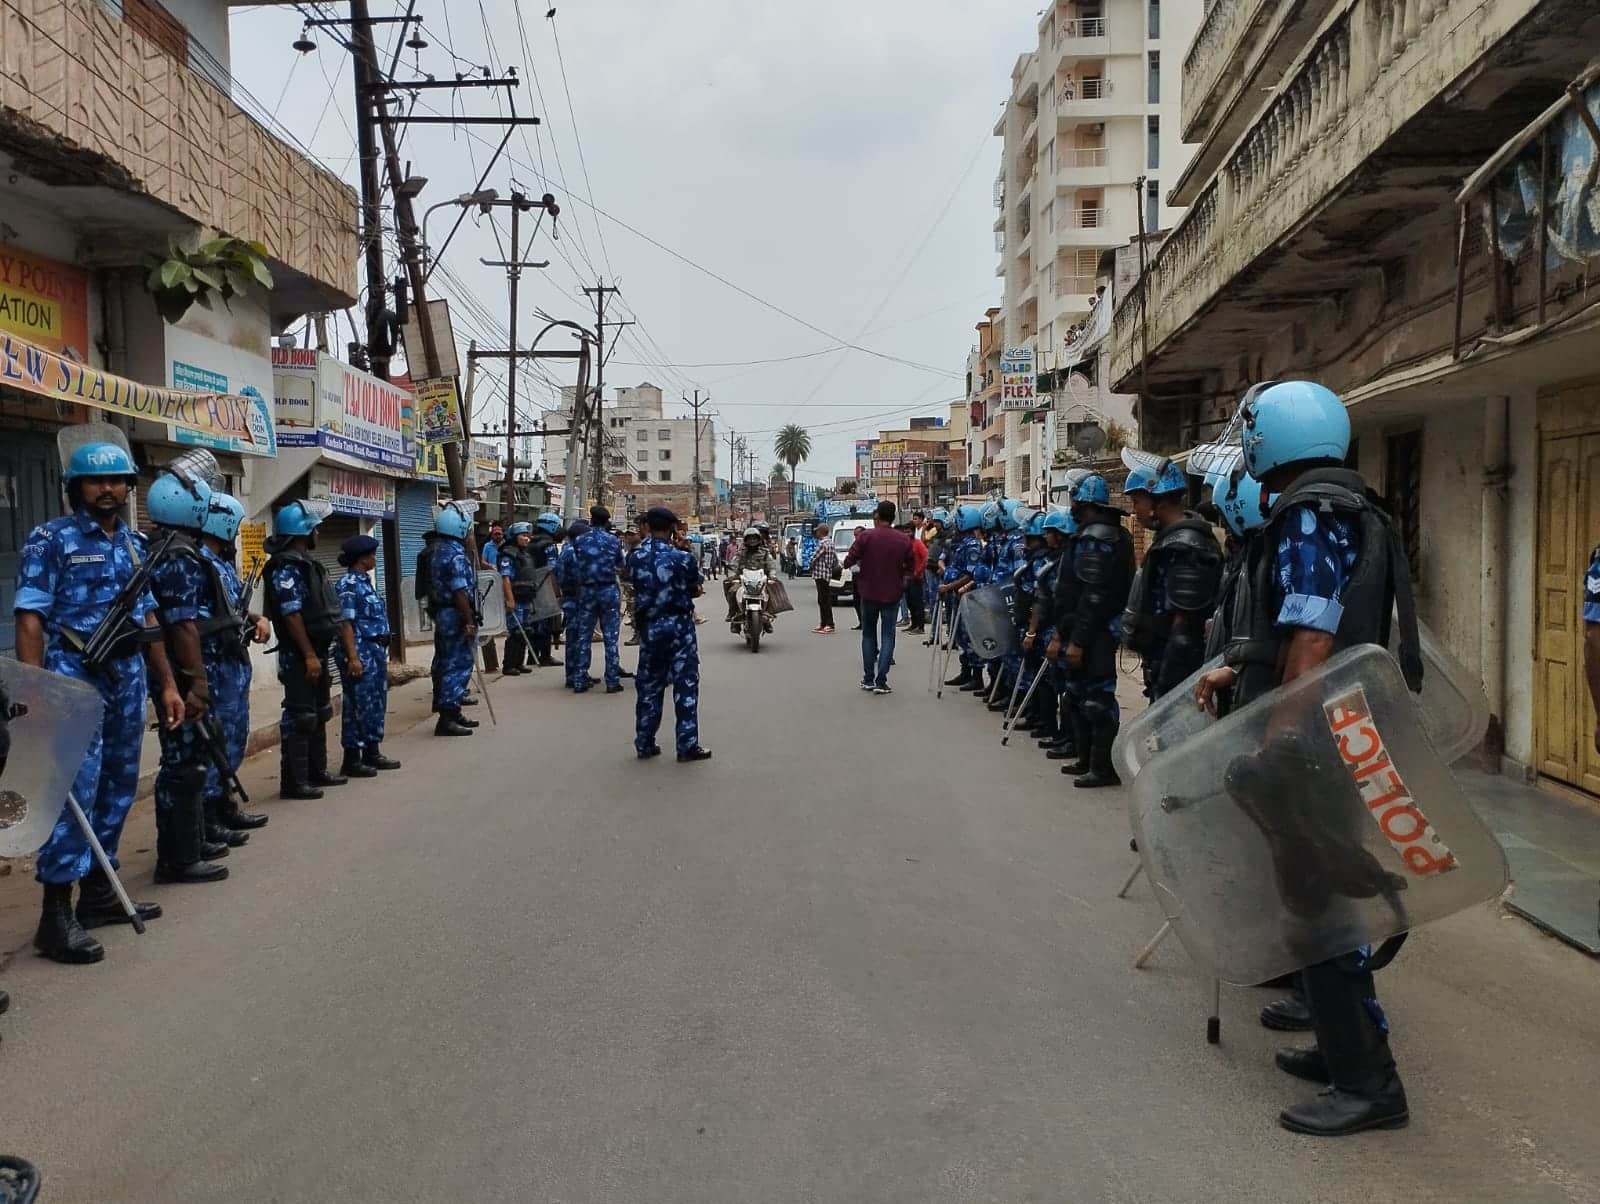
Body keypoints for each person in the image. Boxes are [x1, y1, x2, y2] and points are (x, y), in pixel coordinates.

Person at [1191, 381, 1413, 1137]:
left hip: (1315, 740)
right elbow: (1304, 631)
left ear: (1275, 437)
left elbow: (1314, 641)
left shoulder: (1309, 513)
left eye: (1252, 429)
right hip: (1340, 729)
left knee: (1317, 903)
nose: (1246, 442)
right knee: (1315, 896)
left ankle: (1369, 1086)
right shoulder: (1343, 502)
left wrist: (1277, 739)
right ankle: (1344, 1051)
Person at [15, 440, 184, 963]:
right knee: (74, 792)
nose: (107, 490)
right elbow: (29, 619)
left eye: (116, 482)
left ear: (129, 487)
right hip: (72, 682)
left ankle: (99, 892)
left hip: (127, 679)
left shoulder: (134, 544)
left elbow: (149, 620)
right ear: (76, 488)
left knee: (117, 785)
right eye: (95, 481)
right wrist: (34, 692)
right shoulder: (50, 540)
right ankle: (55, 914)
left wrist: (169, 684)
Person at [145, 466, 233, 884]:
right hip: (180, 680)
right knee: (183, 766)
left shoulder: (160, 547)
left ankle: (191, 844)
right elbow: (183, 626)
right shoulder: (178, 556)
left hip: (172, 676)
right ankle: (178, 859)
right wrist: (196, 684)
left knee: (192, 761)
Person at [1048, 474, 1134, 787]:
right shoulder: (1094, 535)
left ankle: (1103, 767)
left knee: (1098, 699)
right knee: (1078, 695)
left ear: (1082, 502)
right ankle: (1086, 759)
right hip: (1083, 632)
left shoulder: (1098, 538)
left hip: (1094, 635)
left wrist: (1078, 641)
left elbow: (1093, 596)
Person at [196, 492, 273, 835]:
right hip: (213, 665)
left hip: (233, 661)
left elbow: (234, 608)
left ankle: (225, 803)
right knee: (216, 739)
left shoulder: (223, 563)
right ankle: (208, 817)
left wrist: (256, 618)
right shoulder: (197, 562)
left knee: (234, 736)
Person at [263, 500, 347, 798]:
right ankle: (294, 782)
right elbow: (291, 613)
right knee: (301, 715)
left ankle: (317, 771)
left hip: (317, 649)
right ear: (303, 531)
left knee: (319, 711)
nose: (319, 534)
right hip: (300, 654)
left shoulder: (305, 562)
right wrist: (309, 654)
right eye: (315, 529)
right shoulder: (285, 565)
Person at [1122, 460, 1223, 700]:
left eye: (1137, 502)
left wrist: (1167, 690)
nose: (1135, 510)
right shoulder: (1169, 542)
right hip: (1161, 663)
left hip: (1178, 674)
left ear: (1160, 501)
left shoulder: (1184, 547)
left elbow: (1184, 630)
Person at [626, 508, 710, 762]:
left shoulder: (634, 556)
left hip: (650, 627)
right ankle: (686, 746)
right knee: (685, 685)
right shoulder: (682, 558)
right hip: (679, 628)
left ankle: (644, 742)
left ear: (648, 526)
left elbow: (631, 583)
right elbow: (695, 588)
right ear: (673, 528)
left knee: (649, 685)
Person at [334, 534, 398, 776]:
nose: (374, 558)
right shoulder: (349, 584)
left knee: (375, 703)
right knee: (357, 706)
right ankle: (352, 758)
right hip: (360, 651)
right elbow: (346, 624)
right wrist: (353, 658)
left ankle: (372, 751)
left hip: (374, 650)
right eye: (371, 555)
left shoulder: (364, 582)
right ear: (362, 558)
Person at [843, 501, 915, 694]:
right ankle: (881, 681)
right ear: (893, 517)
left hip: (868, 592)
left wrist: (859, 564)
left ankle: (868, 679)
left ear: (877, 516)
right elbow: (910, 567)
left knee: (868, 634)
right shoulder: (903, 540)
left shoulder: (866, 537)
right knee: (888, 635)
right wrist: (903, 582)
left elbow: (848, 561)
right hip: (892, 593)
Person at [426, 502, 479, 736]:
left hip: (443, 613)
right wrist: (468, 620)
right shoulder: (456, 555)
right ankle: (447, 717)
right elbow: (459, 591)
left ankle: (453, 711)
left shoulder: (438, 550)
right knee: (457, 664)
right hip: (456, 613)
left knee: (446, 660)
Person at [572, 505, 627, 694]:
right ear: (606, 522)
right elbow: (621, 565)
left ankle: (579, 679)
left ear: (591, 519)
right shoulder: (613, 541)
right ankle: (612, 680)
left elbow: (576, 564)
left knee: (584, 636)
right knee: (611, 637)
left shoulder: (579, 540)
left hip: (586, 591)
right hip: (608, 590)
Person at [939, 505, 988, 688]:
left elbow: (970, 574)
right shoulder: (962, 542)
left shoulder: (973, 545)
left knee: (970, 636)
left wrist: (950, 586)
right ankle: (965, 671)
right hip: (956, 594)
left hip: (968, 595)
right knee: (960, 635)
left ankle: (976, 676)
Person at [557, 519, 594, 690]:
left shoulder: (565, 550)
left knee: (573, 638)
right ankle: (579, 675)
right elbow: (580, 577)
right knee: (581, 639)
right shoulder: (575, 552)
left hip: (569, 598)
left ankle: (572, 674)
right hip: (578, 598)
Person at [724, 527, 779, 631]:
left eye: (754, 538)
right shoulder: (740, 553)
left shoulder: (765, 552)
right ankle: (734, 614)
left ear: (759, 539)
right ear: (745, 540)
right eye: (750, 539)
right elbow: (734, 565)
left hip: (761, 580)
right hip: (743, 580)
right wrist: (732, 575)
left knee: (772, 590)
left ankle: (767, 617)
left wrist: (772, 575)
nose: (752, 541)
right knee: (732, 591)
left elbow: (771, 565)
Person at [897, 518, 928, 634]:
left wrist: (918, 571)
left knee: (917, 603)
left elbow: (926, 557)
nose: (906, 534)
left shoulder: (917, 543)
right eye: (905, 531)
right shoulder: (904, 545)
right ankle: (913, 624)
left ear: (913, 532)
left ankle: (920, 627)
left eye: (909, 531)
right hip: (906, 577)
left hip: (916, 577)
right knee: (910, 602)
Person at [809, 522, 840, 634]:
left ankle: (829, 624)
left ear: (821, 531)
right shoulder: (830, 542)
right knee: (823, 600)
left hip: (821, 574)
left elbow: (813, 557)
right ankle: (823, 623)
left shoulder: (823, 543)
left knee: (824, 600)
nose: (816, 532)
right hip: (826, 573)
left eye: (817, 530)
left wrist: (810, 565)